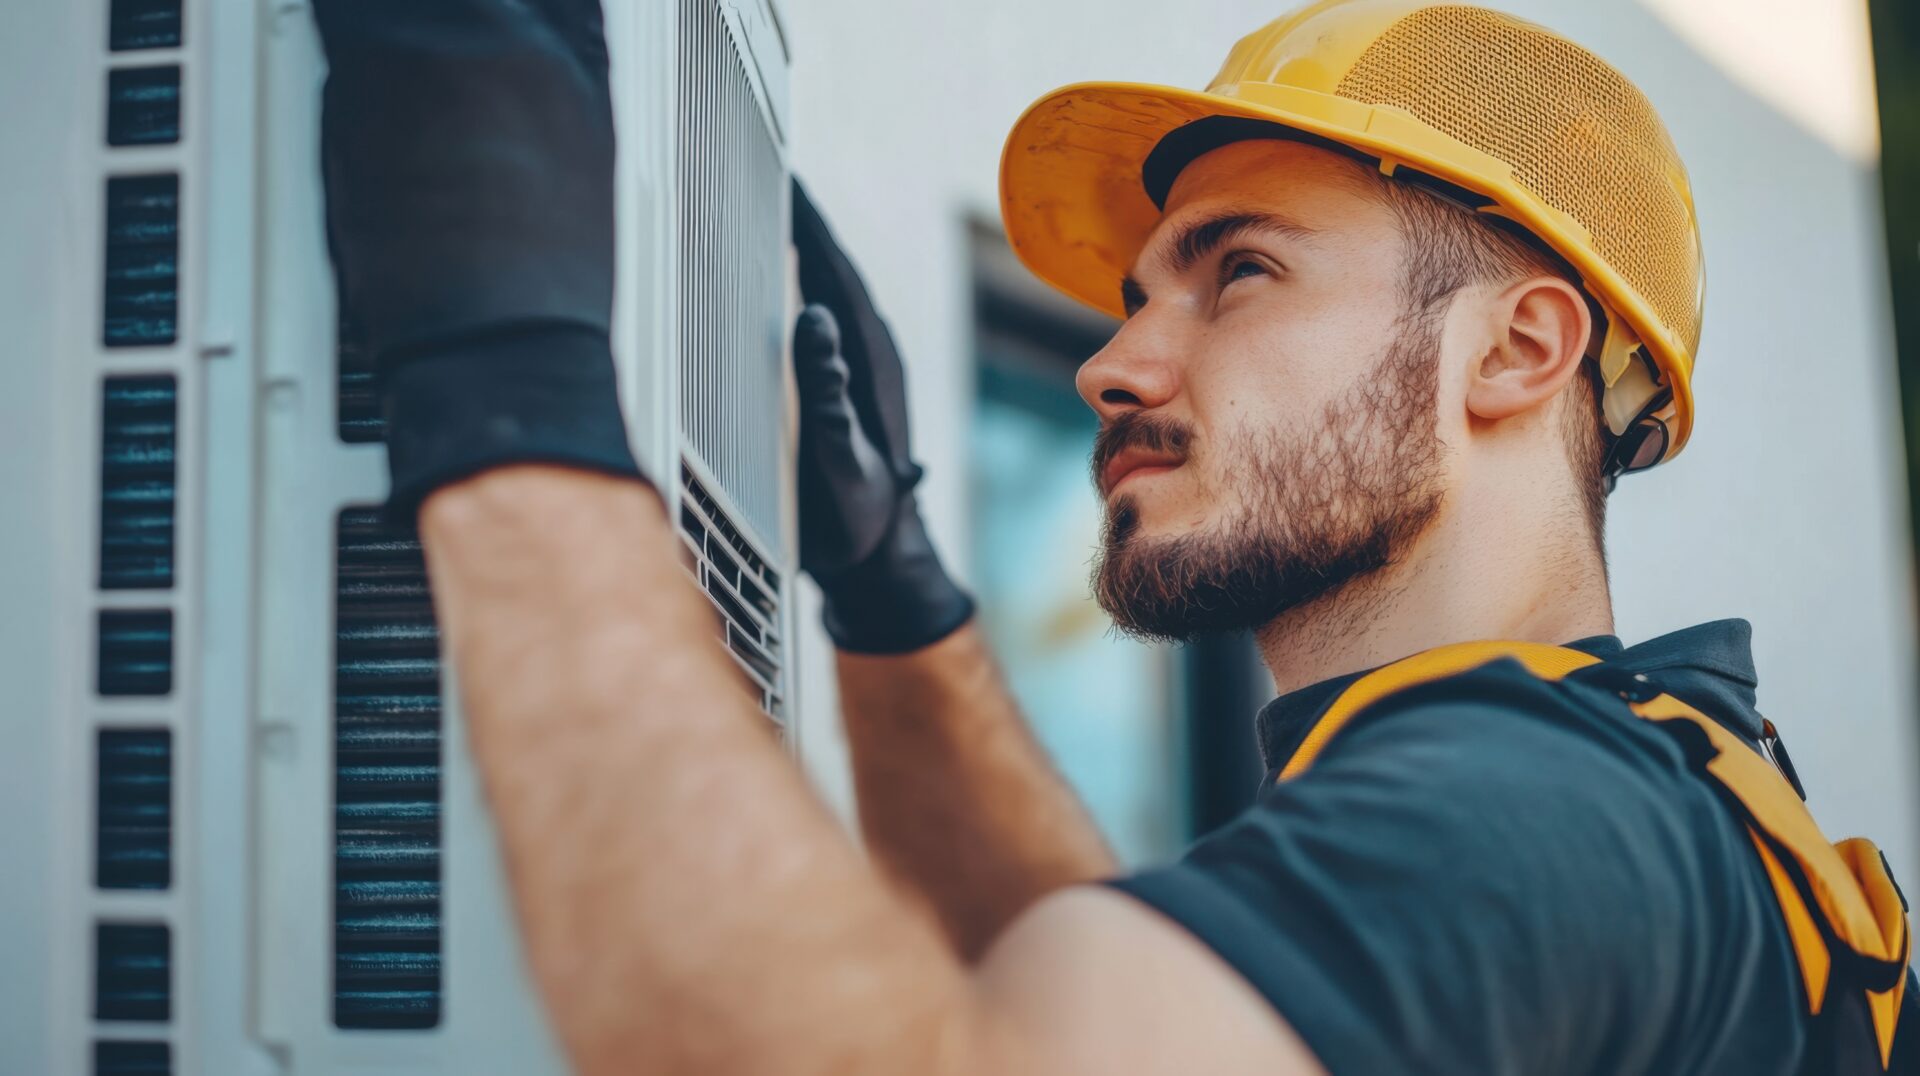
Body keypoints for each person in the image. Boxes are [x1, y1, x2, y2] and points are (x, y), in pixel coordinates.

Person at [312, 0, 1915, 1072]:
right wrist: (898, 605)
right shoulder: (1660, 784)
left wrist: (507, 394)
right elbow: (1100, 999)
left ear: (1517, 351)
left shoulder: (1526, 819)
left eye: (1243, 273)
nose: (1112, 360)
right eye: (1140, 294)